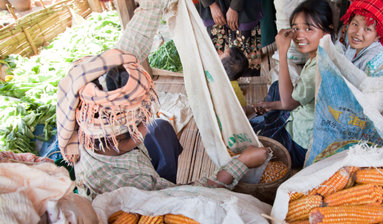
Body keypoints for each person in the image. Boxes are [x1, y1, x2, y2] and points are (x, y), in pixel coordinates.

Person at [56, 49, 268, 199]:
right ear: (115, 138)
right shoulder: (127, 184)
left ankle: (165, 175)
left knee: (161, 127)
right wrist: (242, 162)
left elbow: (132, 42)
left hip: (142, 165)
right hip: (155, 196)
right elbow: (188, 196)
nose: (144, 127)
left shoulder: (85, 130)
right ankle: (164, 181)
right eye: (137, 126)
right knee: (159, 130)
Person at [250, 0, 334, 169]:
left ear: (327, 31)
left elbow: (289, 104)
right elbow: (295, 101)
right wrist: (272, 105)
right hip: (306, 119)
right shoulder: (328, 53)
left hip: (302, 144)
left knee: (255, 137)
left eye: (309, 29)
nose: (299, 36)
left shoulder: (318, 67)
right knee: (276, 89)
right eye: (296, 28)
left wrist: (282, 52)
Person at [199, 0, 263, 77]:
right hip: (213, 7)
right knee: (219, 62)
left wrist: (234, 7)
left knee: (247, 63)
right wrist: (212, 5)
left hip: (244, 8)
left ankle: (250, 83)